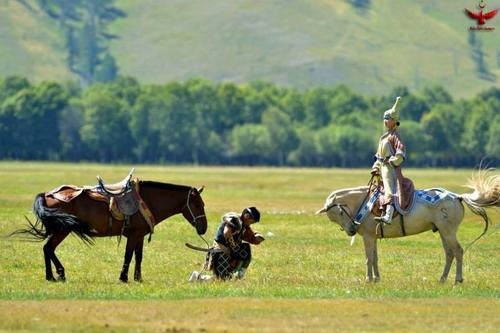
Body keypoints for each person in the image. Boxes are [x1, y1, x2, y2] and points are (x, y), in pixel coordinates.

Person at [188, 206, 264, 282]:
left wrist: (256, 238)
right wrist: (233, 247)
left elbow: (250, 236)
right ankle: (197, 277)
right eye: (251, 222)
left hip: (230, 253)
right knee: (220, 280)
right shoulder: (234, 219)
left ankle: (240, 273)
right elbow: (227, 233)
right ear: (246, 216)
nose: (251, 224)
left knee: (245, 248)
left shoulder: (244, 225)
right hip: (221, 251)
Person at [370, 96, 406, 224]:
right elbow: (379, 156)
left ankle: (389, 216)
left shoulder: (395, 136)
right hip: (381, 169)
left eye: (388, 119)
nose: (385, 121)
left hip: (391, 169)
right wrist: (376, 166)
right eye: (384, 119)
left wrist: (392, 161)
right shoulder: (384, 137)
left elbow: (401, 153)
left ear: (394, 121)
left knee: (389, 190)